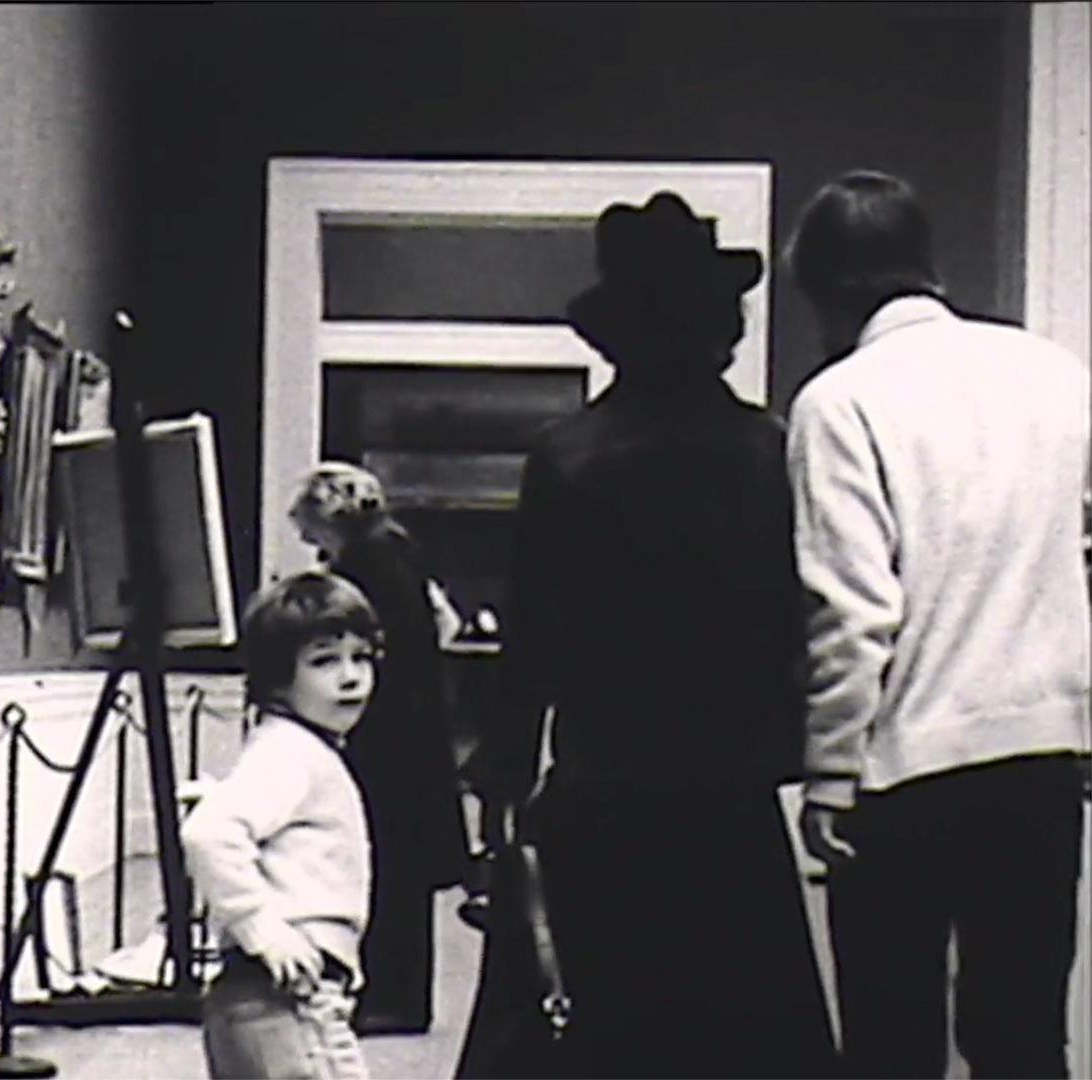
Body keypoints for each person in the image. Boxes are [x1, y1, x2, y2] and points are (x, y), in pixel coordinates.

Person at [459, 191, 835, 1079]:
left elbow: (531, 646)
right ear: (719, 329)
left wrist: (501, 778)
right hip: (729, 800)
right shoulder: (766, 451)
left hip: (604, 794)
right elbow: (797, 618)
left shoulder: (566, 456)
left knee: (606, 1039)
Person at [784, 169, 1091, 1079]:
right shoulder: (1054, 373)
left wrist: (829, 775)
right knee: (1024, 1034)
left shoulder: (838, 401)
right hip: (1040, 754)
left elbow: (849, 608)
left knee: (890, 1044)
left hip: (904, 769)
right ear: (927, 266)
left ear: (828, 289)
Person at [289, 462, 470, 1035]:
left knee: (387, 861)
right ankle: (396, 995)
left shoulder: (367, 564)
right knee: (400, 864)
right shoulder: (394, 551)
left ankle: (390, 997)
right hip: (410, 731)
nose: (303, 537)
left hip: (387, 733)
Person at [180, 571, 381, 1079]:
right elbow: (209, 831)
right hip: (286, 996)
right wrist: (261, 927)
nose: (351, 676)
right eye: (323, 661)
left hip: (267, 997)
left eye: (362, 657)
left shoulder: (292, 747)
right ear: (276, 678)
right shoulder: (292, 752)